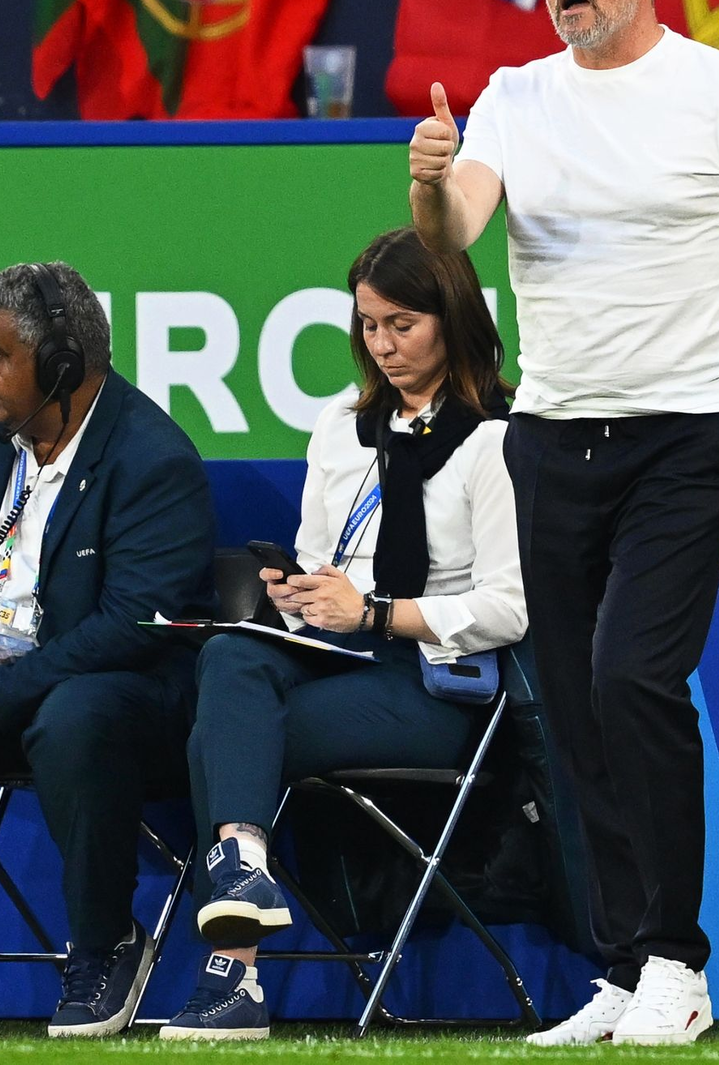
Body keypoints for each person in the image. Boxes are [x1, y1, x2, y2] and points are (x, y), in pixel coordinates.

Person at [408, 0, 719, 1048]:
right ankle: (624, 961)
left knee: (633, 676)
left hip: (695, 427)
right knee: (571, 698)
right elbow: (453, 238)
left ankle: (680, 965)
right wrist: (427, 178)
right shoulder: (513, 96)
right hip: (553, 430)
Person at [162, 227, 526, 1041]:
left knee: (220, 740)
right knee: (230, 654)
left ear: (452, 317)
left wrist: (376, 613)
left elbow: (510, 607)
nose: (383, 344)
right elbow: (322, 560)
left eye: (404, 323)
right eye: (369, 324)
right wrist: (300, 594)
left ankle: (234, 976)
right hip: (333, 655)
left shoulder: (499, 436)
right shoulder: (340, 423)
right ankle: (246, 880)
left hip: (434, 683)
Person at [0, 262, 215, 1038]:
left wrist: (9, 684)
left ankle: (106, 943)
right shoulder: (5, 445)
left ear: (62, 367)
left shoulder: (151, 458)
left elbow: (131, 625)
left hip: (135, 695)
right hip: (28, 680)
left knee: (73, 715)